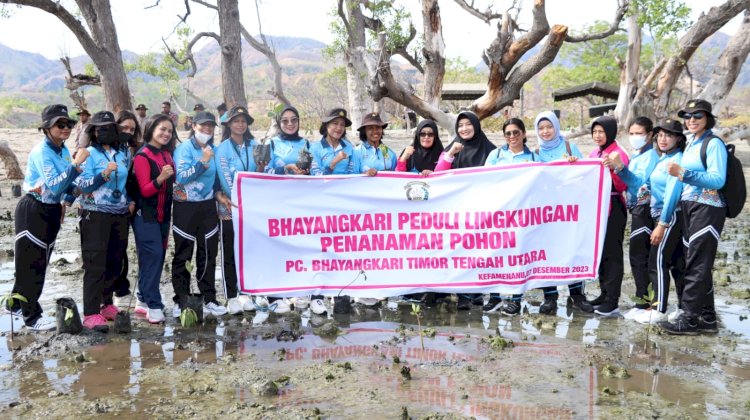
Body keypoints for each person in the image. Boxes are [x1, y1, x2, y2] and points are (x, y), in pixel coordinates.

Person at [7, 104, 88, 331]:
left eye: (68, 124)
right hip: (33, 209)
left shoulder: (61, 150)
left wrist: (75, 193)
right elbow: (55, 183)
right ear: (46, 128)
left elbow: (64, 186)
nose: (66, 128)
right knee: (31, 264)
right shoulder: (42, 152)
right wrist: (75, 165)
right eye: (59, 124)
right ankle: (31, 317)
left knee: (40, 260)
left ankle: (14, 305)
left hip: (51, 209)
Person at [608, 119, 686, 323]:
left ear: (678, 138)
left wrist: (663, 223)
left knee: (657, 261)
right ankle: (681, 307)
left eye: (668, 135)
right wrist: (621, 169)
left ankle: (658, 309)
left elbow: (672, 195)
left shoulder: (675, 160)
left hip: (668, 215)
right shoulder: (662, 159)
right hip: (655, 213)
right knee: (673, 261)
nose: (663, 139)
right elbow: (641, 186)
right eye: (661, 135)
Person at [662, 99, 728, 335]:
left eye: (697, 116)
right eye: (687, 116)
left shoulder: (713, 144)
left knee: (697, 264)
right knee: (695, 261)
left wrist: (684, 173)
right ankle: (707, 318)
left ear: (707, 118)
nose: (691, 120)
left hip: (708, 208)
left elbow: (717, 179)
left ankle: (689, 318)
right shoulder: (692, 142)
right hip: (690, 208)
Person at [74, 111, 134, 332]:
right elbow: (83, 185)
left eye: (109, 127)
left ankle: (106, 304)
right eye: (100, 128)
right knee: (94, 263)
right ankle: (90, 312)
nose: (105, 132)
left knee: (114, 261)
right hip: (94, 215)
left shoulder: (121, 154)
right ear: (93, 131)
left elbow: (125, 182)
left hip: (119, 214)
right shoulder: (87, 153)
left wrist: (128, 200)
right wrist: (104, 174)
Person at [434, 111, 496, 310]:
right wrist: (451, 154)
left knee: (479, 251)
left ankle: (477, 292)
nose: (464, 129)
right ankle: (462, 293)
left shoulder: (491, 151)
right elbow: (438, 174)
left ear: (476, 126)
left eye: (468, 124)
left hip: (482, 210)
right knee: (460, 251)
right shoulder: (451, 148)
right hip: (457, 210)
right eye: (460, 125)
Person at [533, 111, 591, 315]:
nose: (545, 131)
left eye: (549, 127)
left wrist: (577, 164)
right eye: (541, 128)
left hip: (569, 209)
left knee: (572, 248)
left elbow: (586, 174)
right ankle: (550, 297)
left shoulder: (569, 147)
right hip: (546, 211)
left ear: (556, 127)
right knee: (547, 253)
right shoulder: (536, 152)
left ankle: (577, 294)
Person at [171, 111, 228, 318]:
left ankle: (209, 298)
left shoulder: (212, 149)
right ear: (193, 126)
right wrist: (202, 162)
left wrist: (218, 193)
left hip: (207, 207)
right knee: (183, 253)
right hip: (185, 207)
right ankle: (181, 300)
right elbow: (182, 177)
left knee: (208, 253)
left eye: (211, 126)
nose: (207, 130)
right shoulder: (184, 149)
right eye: (203, 126)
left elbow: (215, 178)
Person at [602, 117, 659, 320]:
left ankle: (647, 304)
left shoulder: (650, 157)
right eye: (632, 133)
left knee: (640, 256)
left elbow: (640, 187)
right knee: (637, 255)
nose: (635, 137)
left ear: (650, 134)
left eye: (639, 133)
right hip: (636, 208)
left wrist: (620, 168)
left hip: (644, 209)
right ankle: (642, 301)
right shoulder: (637, 155)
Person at [482, 118, 537, 315]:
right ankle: (495, 296)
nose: (512, 137)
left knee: (518, 256)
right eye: (508, 133)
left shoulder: (534, 158)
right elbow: (484, 181)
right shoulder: (495, 155)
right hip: (499, 213)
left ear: (524, 134)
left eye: (516, 132)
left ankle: (515, 299)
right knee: (497, 255)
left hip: (522, 215)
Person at [215, 106, 264, 314]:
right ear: (229, 124)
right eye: (236, 121)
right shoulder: (222, 149)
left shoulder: (255, 145)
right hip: (229, 207)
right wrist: (236, 196)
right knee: (229, 251)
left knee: (248, 252)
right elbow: (225, 178)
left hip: (251, 207)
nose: (240, 124)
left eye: (243, 121)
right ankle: (231, 297)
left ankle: (246, 293)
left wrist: (262, 167)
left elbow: (260, 173)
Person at [130, 114, 176, 324]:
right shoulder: (143, 156)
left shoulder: (167, 154)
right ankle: (154, 305)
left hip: (163, 217)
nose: (166, 134)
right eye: (162, 129)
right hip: (145, 216)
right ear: (151, 129)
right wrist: (161, 178)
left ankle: (142, 300)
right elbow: (145, 190)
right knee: (154, 256)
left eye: (169, 130)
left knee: (155, 258)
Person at [309, 108, 356, 315]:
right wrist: (334, 162)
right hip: (320, 204)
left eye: (342, 124)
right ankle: (316, 296)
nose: (338, 128)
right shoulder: (315, 148)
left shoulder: (350, 148)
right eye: (334, 123)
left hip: (343, 206)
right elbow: (315, 174)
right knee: (321, 249)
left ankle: (341, 293)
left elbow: (355, 173)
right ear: (326, 125)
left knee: (342, 249)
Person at [586, 116, 629, 317]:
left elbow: (623, 185)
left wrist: (613, 168)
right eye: (594, 132)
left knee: (612, 253)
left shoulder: (618, 153)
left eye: (601, 132)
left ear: (610, 132)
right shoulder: (594, 153)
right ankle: (603, 293)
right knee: (601, 253)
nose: (597, 136)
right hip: (597, 208)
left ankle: (612, 300)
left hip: (614, 206)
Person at [112, 110, 143, 312]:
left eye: (132, 129)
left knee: (124, 246)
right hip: (110, 205)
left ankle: (125, 289)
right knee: (116, 251)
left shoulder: (130, 149)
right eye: (124, 128)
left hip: (129, 203)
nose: (128, 132)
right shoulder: (106, 148)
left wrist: (131, 200)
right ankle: (118, 291)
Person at [266, 105, 312, 175]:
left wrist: (306, 172)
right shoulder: (271, 143)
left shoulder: (306, 143)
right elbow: (266, 172)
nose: (290, 124)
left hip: (302, 185)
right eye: (285, 121)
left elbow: (315, 171)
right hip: (278, 186)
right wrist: (286, 169)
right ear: (279, 123)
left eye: (294, 120)